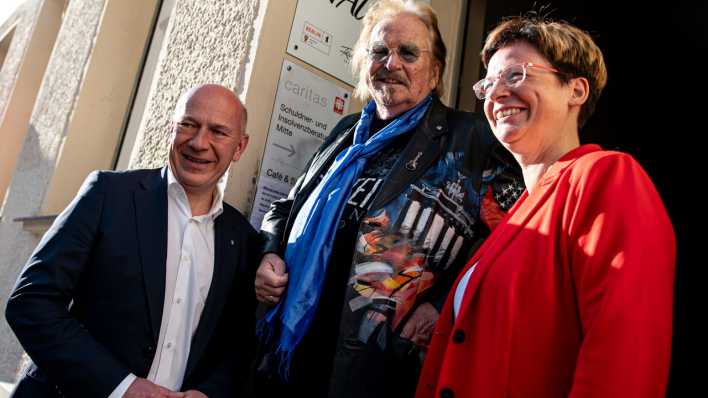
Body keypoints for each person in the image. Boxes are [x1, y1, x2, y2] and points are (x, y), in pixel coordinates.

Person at [252, 1, 523, 397]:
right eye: (379, 51)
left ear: (435, 73)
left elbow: (512, 242)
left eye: (408, 53)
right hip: (293, 354)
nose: (390, 63)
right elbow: (285, 207)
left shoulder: (471, 140)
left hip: (382, 366)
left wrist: (443, 304)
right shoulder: (347, 134)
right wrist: (270, 251)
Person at [416, 15, 676, 398]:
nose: (496, 93)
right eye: (488, 83)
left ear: (576, 90)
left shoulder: (605, 177)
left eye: (516, 75)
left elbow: (626, 353)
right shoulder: (514, 216)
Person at [5, 84, 260, 398]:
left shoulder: (243, 240)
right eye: (189, 125)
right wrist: (122, 387)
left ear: (239, 147)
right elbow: (31, 303)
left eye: (218, 132)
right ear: (172, 128)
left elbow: (236, 347)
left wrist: (209, 393)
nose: (199, 142)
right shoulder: (108, 195)